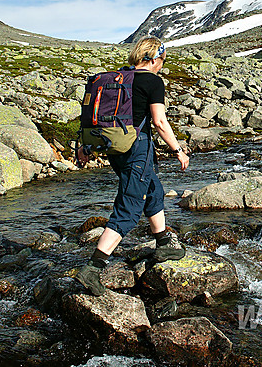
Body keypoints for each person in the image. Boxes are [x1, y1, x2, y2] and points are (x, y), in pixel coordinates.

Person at [77, 36, 190, 296]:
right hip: (136, 147)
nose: (161, 65)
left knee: (153, 188)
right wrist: (178, 151)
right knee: (129, 205)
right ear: (152, 58)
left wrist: (85, 147)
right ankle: (93, 267)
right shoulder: (152, 81)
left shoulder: (114, 79)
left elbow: (92, 117)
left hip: (114, 146)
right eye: (161, 60)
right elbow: (160, 122)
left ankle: (162, 241)